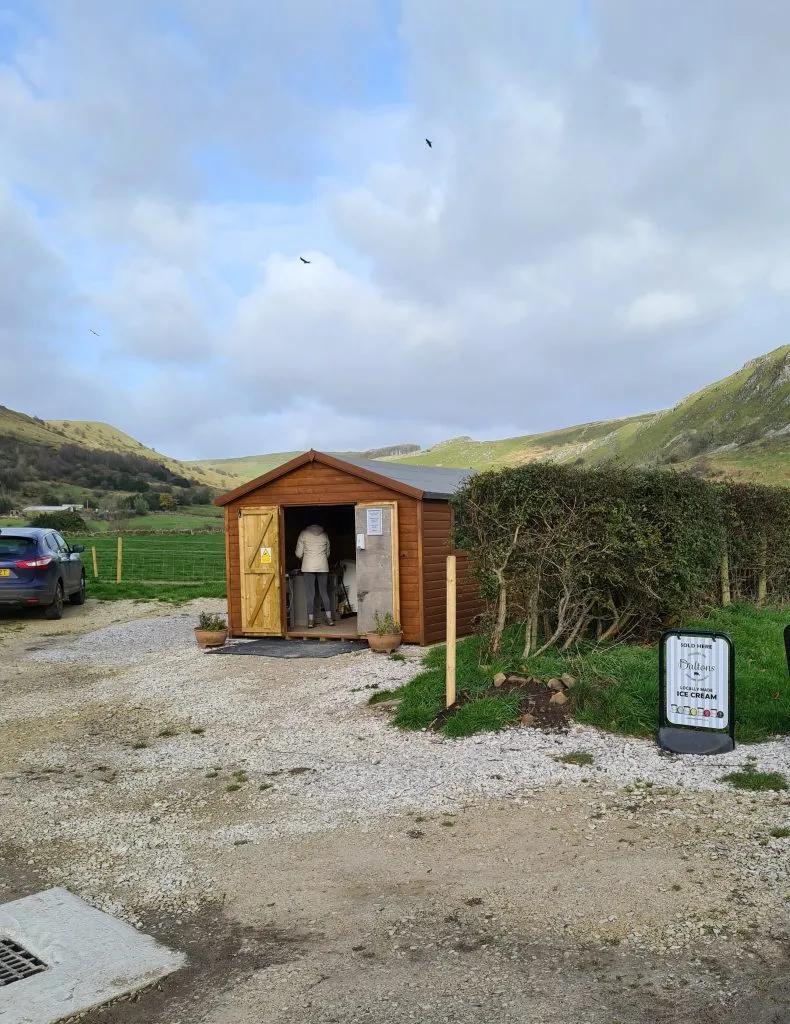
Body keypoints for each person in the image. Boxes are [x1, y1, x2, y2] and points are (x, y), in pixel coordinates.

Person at [295, 523, 334, 627]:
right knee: (324, 593)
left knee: (310, 594)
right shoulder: (324, 535)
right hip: (323, 566)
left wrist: (304, 558)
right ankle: (329, 619)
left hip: (308, 566)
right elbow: (328, 553)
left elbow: (299, 553)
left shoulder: (303, 534)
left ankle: (311, 620)